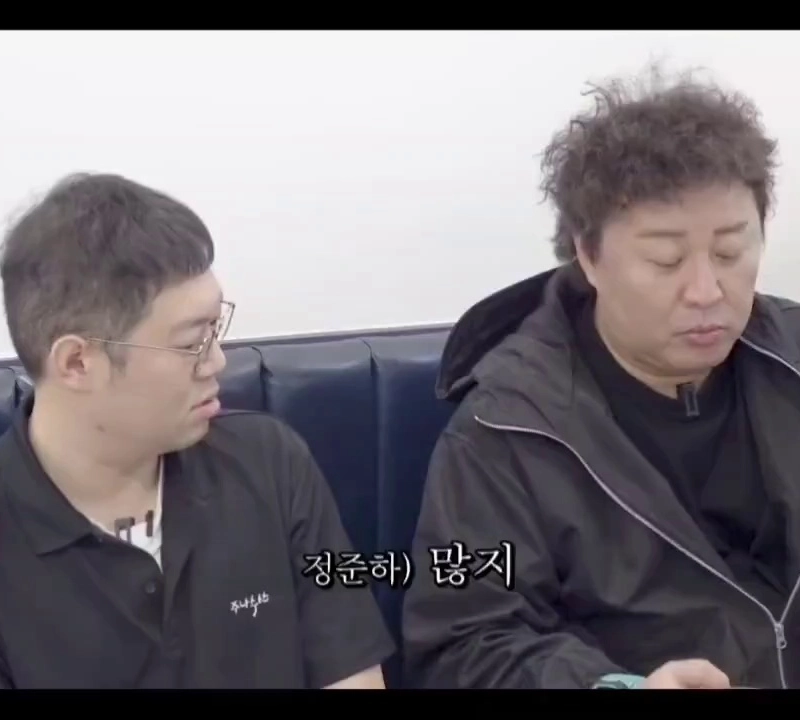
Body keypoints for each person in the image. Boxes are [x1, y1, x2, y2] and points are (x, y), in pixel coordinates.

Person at [402, 67, 800, 689]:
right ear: (589, 256)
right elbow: (462, 647)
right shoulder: (506, 429)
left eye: (730, 251)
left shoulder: (791, 358)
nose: (706, 290)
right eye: (665, 259)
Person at [0, 173, 394, 688]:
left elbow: (352, 674)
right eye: (191, 343)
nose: (217, 362)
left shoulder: (268, 463)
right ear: (77, 362)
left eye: (215, 329)